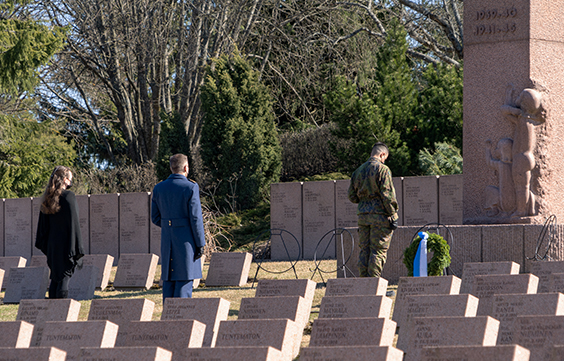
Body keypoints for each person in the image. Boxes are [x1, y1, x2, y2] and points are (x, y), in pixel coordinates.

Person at [151, 153, 206, 301]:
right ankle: (180, 323)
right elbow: (195, 219)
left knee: (168, 285)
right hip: (186, 243)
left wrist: (170, 226)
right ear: (186, 167)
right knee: (184, 284)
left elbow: (155, 218)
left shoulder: (159, 188)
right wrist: (200, 243)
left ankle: (167, 321)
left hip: (167, 241)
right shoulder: (191, 187)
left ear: (171, 168)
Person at [348, 143, 399, 277]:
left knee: (364, 250)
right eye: (385, 158)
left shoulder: (358, 171)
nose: (384, 161)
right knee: (378, 251)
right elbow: (387, 195)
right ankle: (374, 285)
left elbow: (352, 196)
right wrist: (393, 214)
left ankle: (364, 285)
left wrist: (365, 200)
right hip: (380, 217)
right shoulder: (383, 169)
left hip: (363, 216)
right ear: (382, 154)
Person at [35, 166, 84, 299]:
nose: (71, 183)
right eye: (70, 179)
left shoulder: (47, 198)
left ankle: (52, 312)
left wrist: (48, 246)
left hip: (52, 245)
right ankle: (60, 313)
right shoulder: (69, 197)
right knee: (63, 278)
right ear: (64, 180)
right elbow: (74, 224)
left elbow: (42, 229)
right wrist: (77, 249)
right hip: (66, 244)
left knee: (56, 278)